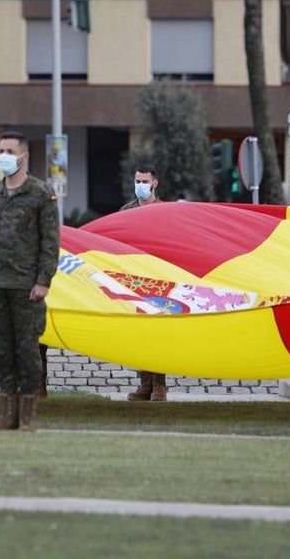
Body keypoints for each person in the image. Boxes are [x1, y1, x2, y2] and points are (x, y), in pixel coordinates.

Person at [0, 131, 60, 431]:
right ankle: (7, 413)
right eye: (1, 150)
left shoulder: (41, 194)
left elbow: (50, 243)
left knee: (28, 351)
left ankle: (28, 415)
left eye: (10, 151)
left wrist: (43, 281)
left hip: (27, 288)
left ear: (24, 156)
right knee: (3, 350)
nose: (4, 156)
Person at [121, 165, 169, 402]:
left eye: (144, 181)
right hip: (133, 282)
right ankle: (144, 385)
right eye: (137, 180)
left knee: (157, 334)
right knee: (138, 335)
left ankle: (160, 386)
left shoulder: (164, 211)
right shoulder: (126, 211)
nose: (139, 185)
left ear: (154, 183)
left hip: (158, 282)